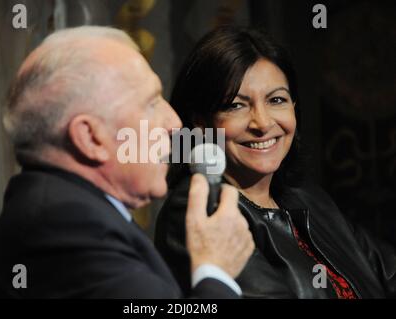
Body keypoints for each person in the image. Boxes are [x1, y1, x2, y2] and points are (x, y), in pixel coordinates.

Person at [0, 26, 255, 298]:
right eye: (151, 103)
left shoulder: (70, 213)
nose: (174, 123)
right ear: (90, 138)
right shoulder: (65, 228)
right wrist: (216, 271)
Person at [155, 25, 396, 298]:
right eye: (236, 105)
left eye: (277, 100)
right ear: (201, 123)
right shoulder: (199, 209)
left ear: (294, 107)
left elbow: (387, 271)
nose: (263, 123)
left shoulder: (305, 198)